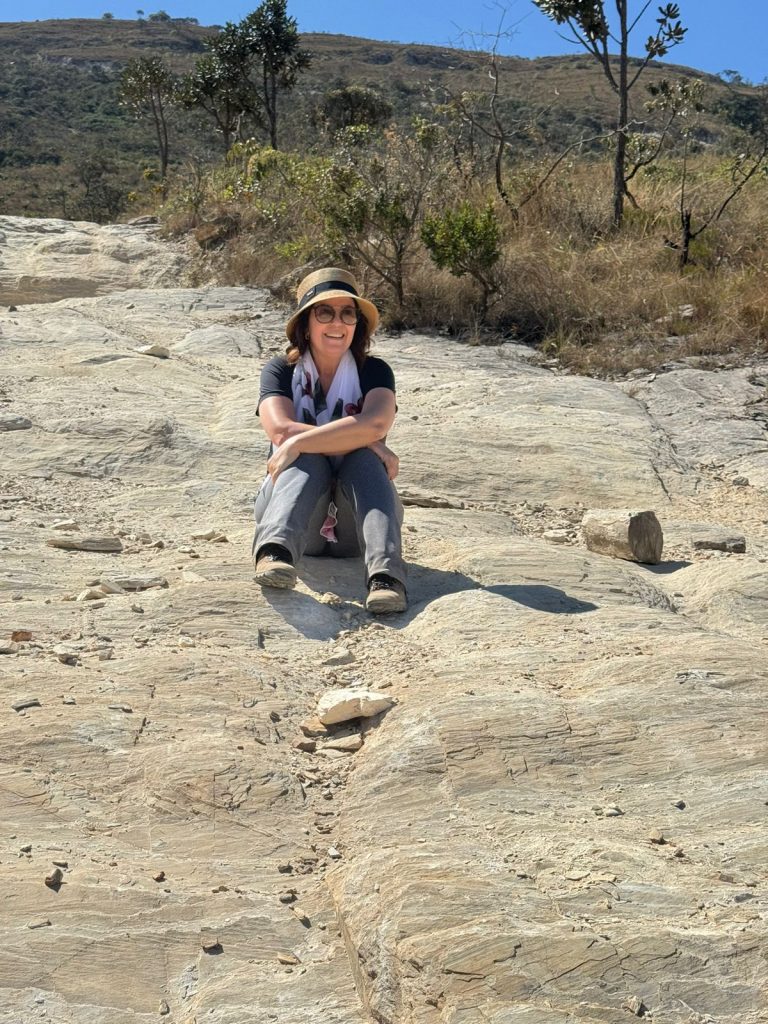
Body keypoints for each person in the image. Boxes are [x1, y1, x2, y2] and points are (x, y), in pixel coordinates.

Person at [252, 267, 407, 614]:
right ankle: (273, 553)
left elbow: (377, 421)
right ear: (306, 323)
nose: (337, 323)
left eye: (347, 313)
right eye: (325, 312)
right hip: (296, 519)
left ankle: (386, 578)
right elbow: (281, 431)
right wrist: (366, 439)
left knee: (363, 462)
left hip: (356, 525)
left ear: (357, 324)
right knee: (307, 457)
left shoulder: (375, 371)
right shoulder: (280, 371)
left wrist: (363, 440)